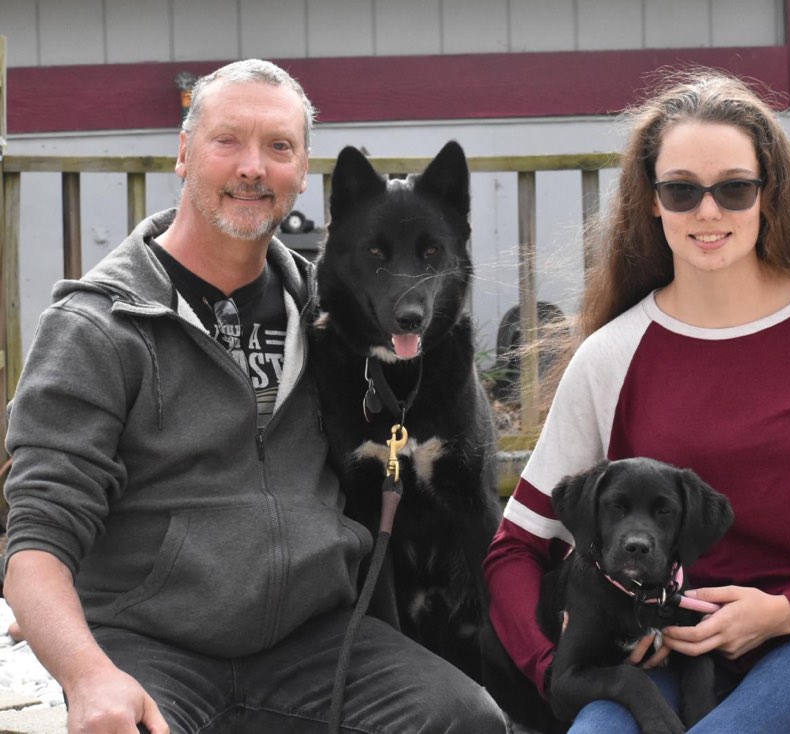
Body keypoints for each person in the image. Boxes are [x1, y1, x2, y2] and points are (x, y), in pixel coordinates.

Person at [1, 59, 506, 734]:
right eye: (227, 140)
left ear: (303, 173)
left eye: (278, 147)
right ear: (184, 153)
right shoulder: (99, 326)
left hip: (316, 645)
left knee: (467, 719)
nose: (253, 167)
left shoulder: (334, 318)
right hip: (151, 650)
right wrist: (88, 676)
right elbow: (35, 543)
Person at [483, 69, 790, 733]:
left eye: (734, 189)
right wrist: (560, 669)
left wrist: (787, 611)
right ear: (652, 201)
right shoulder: (612, 355)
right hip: (662, 655)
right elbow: (515, 550)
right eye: (681, 190)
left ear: (770, 196)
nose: (707, 211)